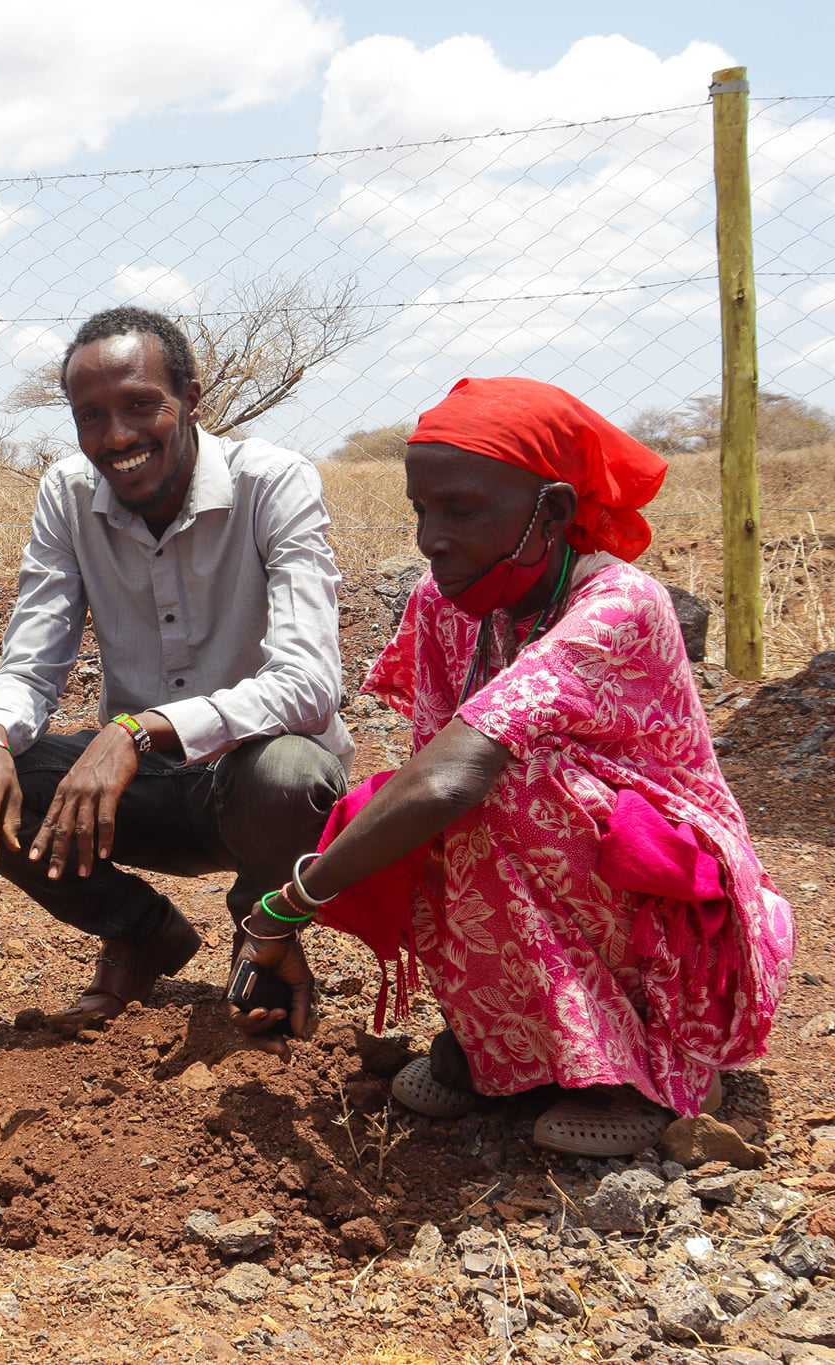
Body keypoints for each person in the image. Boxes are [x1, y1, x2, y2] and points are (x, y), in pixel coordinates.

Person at [227, 377, 794, 1156]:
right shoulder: (441, 602)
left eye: (461, 511)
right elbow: (430, 774)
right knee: (405, 809)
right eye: (421, 510)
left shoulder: (619, 606)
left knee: (495, 783)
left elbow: (454, 775)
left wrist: (280, 911)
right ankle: (505, 1042)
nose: (430, 537)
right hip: (557, 854)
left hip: (671, 892)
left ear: (553, 513)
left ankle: (644, 1065)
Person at [0, 306, 352, 1027]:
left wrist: (138, 729)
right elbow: (31, 663)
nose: (116, 437)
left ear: (192, 398)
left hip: (248, 780)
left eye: (140, 405)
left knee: (292, 777)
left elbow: (309, 684)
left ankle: (263, 938)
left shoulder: (273, 483)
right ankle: (139, 933)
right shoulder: (66, 494)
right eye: (90, 415)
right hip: (144, 789)